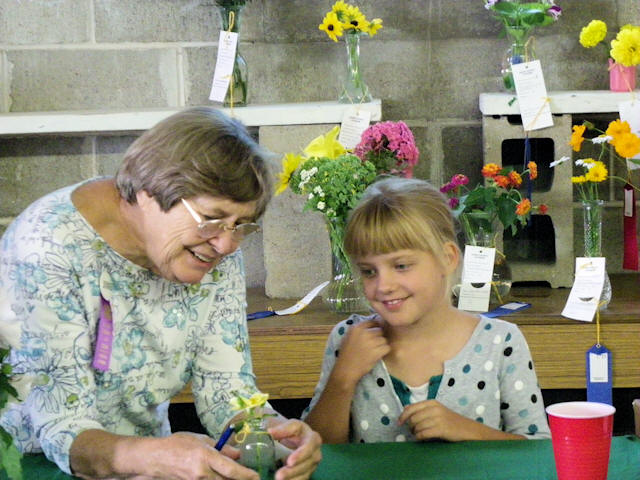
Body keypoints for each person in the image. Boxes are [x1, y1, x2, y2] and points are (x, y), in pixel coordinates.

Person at [0, 106, 321, 479]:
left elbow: (226, 390)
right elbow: (61, 428)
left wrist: (272, 435)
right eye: (212, 219)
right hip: (32, 467)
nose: (227, 245)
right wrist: (156, 456)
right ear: (147, 192)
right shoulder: (48, 247)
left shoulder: (214, 246)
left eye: (242, 225)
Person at [302, 177, 550, 444]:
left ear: (447, 259)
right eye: (369, 271)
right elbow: (313, 451)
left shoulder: (501, 342)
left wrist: (468, 431)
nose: (383, 286)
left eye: (401, 266)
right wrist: (342, 378)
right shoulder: (347, 339)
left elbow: (538, 450)